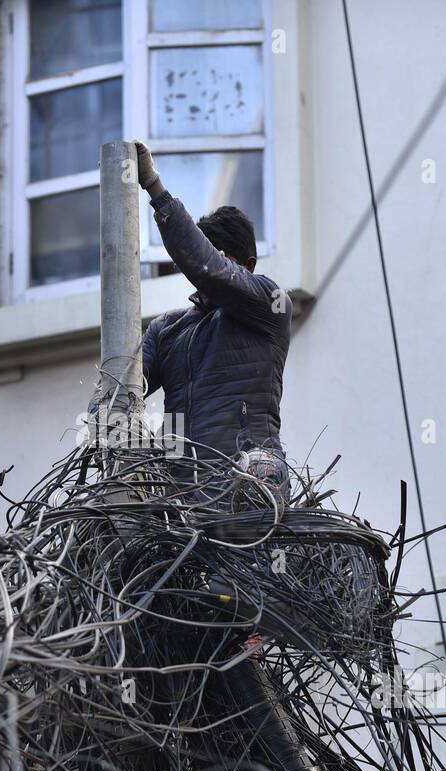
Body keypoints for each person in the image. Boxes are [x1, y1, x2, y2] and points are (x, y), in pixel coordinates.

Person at [125, 140, 293, 503]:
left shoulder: (269, 306)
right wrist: (106, 428)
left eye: (223, 256)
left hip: (248, 492)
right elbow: (121, 390)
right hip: (186, 507)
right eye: (208, 250)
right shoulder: (167, 330)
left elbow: (209, 269)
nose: (209, 265)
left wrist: (155, 187)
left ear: (247, 266)